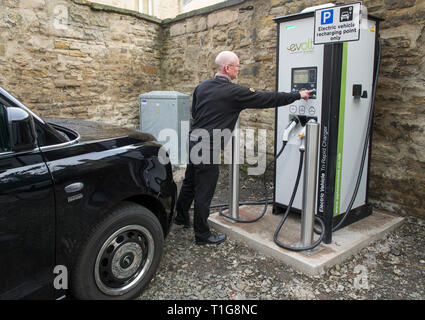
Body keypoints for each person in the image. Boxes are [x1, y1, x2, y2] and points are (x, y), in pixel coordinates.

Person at [174, 51, 314, 245]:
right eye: (237, 66)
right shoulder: (234, 92)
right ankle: (202, 235)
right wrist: (297, 95)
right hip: (209, 147)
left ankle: (180, 217)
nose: (239, 69)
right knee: (204, 191)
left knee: (190, 182)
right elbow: (268, 98)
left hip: (194, 140)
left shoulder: (202, 86)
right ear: (227, 68)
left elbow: (195, 112)